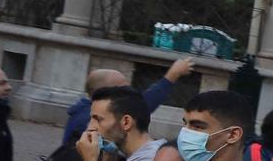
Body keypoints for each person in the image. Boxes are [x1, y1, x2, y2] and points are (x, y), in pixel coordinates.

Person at [60, 55, 192, 145]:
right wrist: (172, 74)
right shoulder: (89, 118)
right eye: (124, 88)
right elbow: (143, 105)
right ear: (106, 92)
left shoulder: (87, 111)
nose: (129, 92)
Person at [85, 86, 165, 161]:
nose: (90, 127)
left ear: (126, 122)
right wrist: (108, 160)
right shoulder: (143, 155)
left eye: (98, 119)